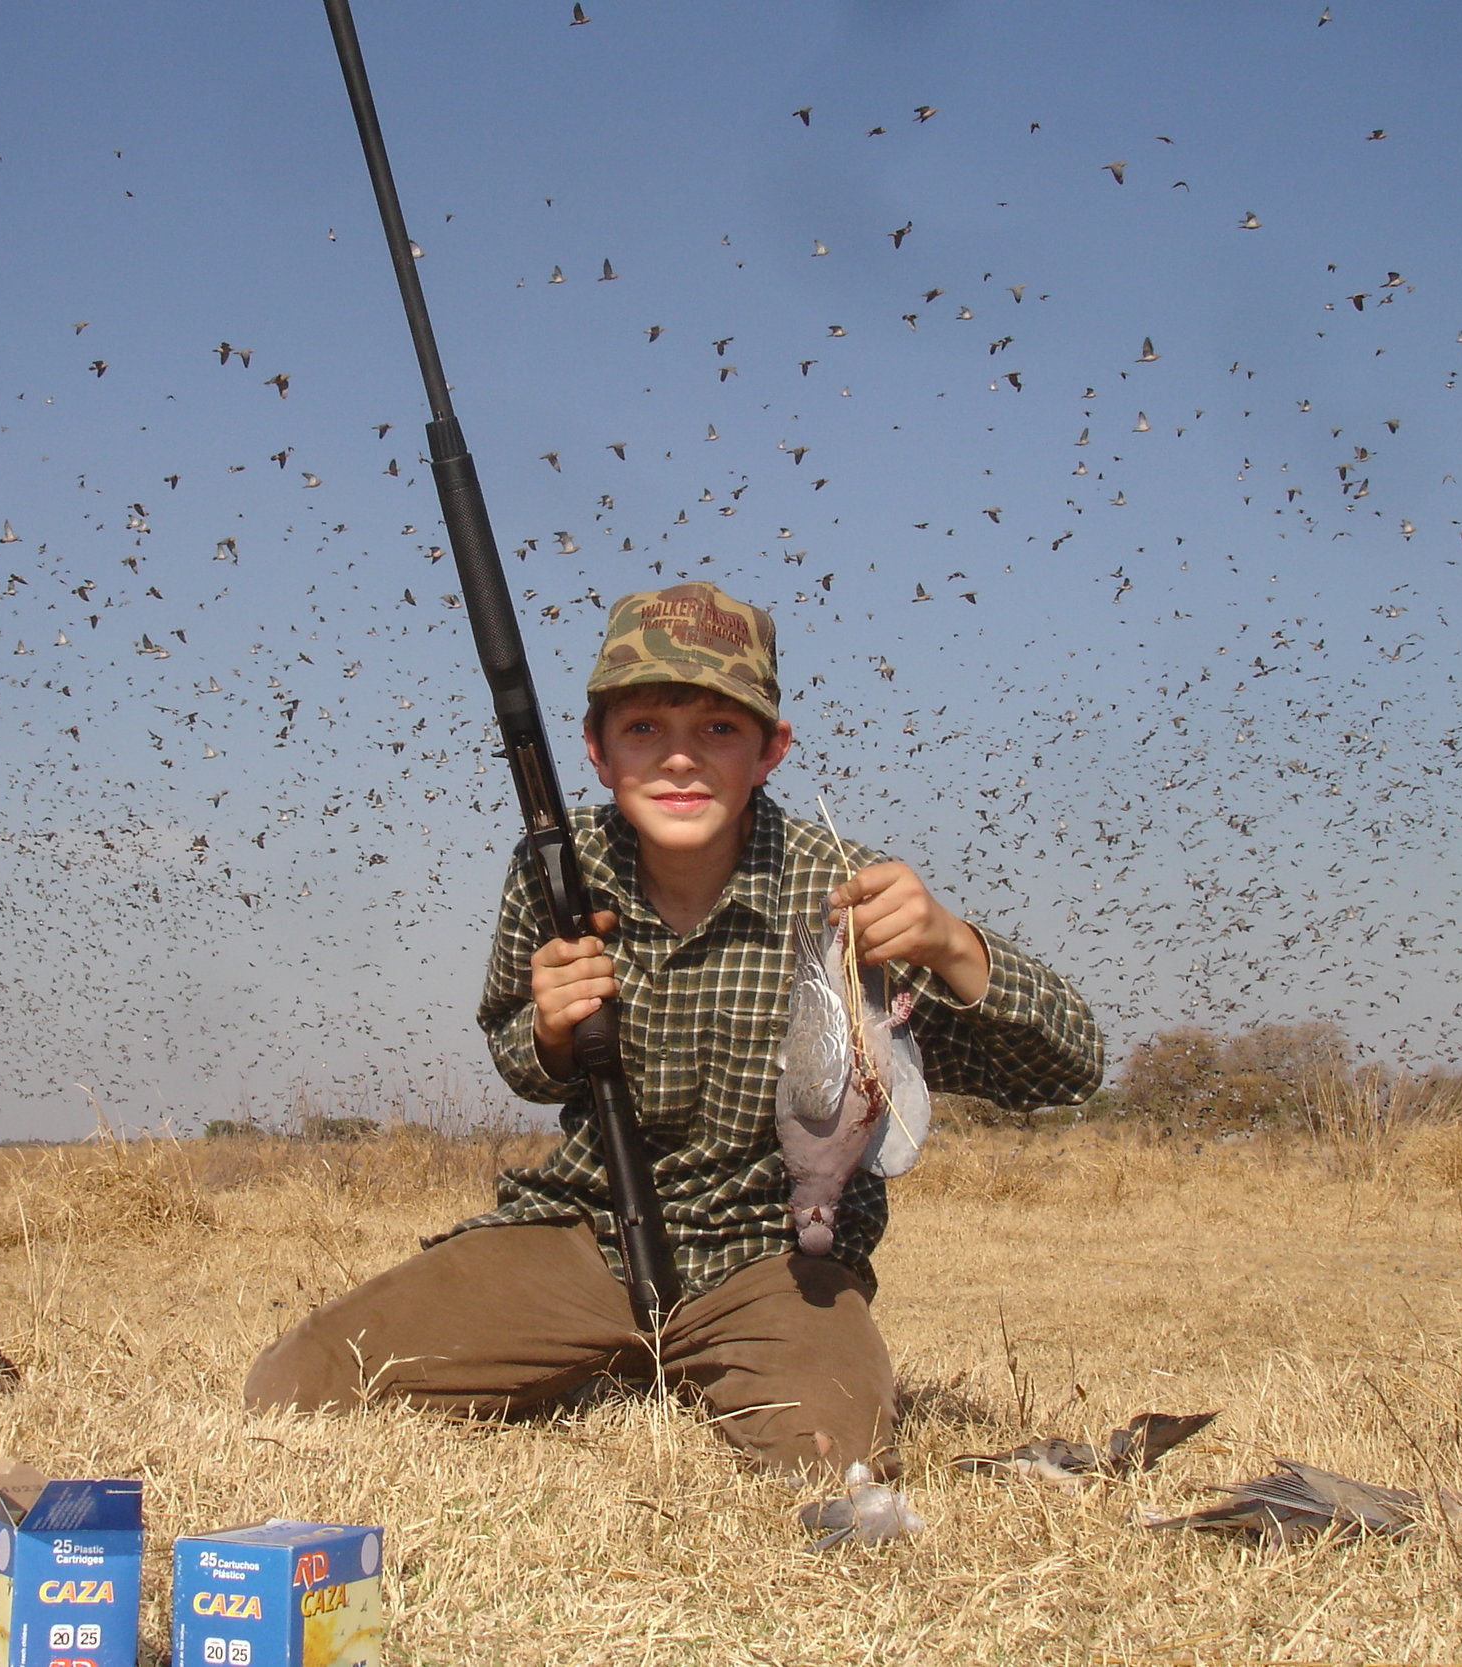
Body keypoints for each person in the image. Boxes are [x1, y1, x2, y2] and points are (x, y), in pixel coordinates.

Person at [244, 581, 1102, 1477]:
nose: (680, 760)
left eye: (719, 730)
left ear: (771, 749)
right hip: (583, 1236)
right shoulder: (555, 867)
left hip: (771, 1259)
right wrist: (550, 1028)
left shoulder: (848, 891)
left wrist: (955, 945)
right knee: (294, 1388)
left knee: (831, 1454)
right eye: (645, 728)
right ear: (597, 748)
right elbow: (520, 1057)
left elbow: (1068, 1068)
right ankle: (611, 1351)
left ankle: (692, 1360)